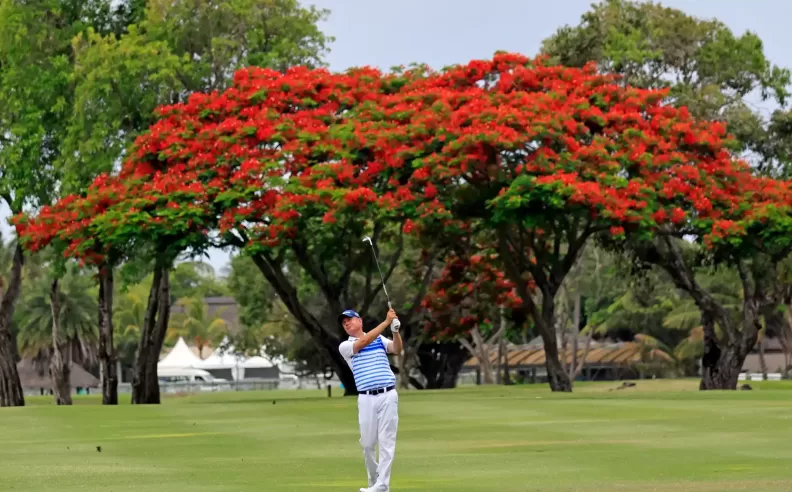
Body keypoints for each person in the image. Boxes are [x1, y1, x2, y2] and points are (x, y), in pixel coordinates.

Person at [338, 307, 402, 492]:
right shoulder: (345, 346)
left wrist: (395, 331)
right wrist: (385, 322)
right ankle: (375, 482)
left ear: (360, 321)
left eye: (350, 319)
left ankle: (382, 485)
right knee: (367, 444)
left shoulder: (379, 339)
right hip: (366, 398)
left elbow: (397, 349)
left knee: (386, 441)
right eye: (344, 323)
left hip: (388, 394)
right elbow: (364, 341)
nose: (347, 323)